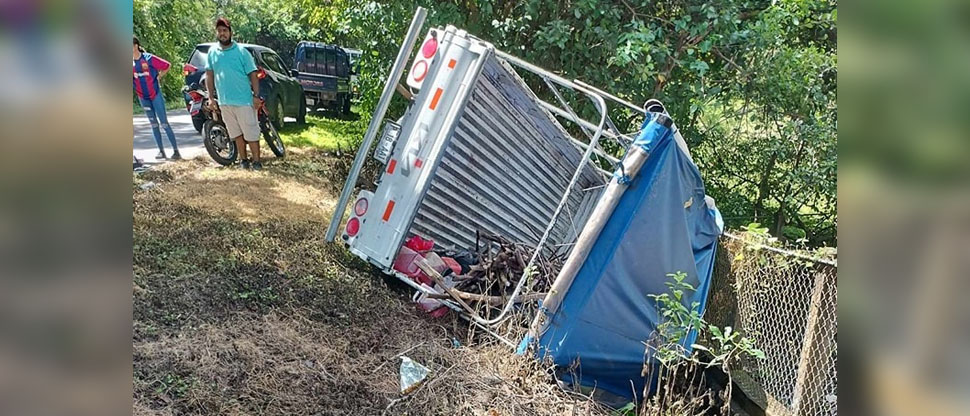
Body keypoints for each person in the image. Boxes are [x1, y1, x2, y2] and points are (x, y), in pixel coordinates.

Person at [205, 17, 263, 170]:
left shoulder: (241, 52)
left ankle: (256, 161)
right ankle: (243, 161)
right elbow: (209, 75)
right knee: (236, 133)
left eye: (225, 30)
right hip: (225, 102)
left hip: (244, 100)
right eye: (219, 31)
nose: (222, 33)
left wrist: (256, 96)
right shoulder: (212, 52)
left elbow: (253, 74)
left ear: (230, 32)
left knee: (250, 133)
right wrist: (211, 98)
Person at [133, 36, 180, 160]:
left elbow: (167, 65)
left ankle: (176, 151)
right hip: (143, 97)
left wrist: (159, 76)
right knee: (153, 124)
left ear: (136, 45)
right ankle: (161, 151)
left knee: (164, 123)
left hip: (155, 95)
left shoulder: (148, 58)